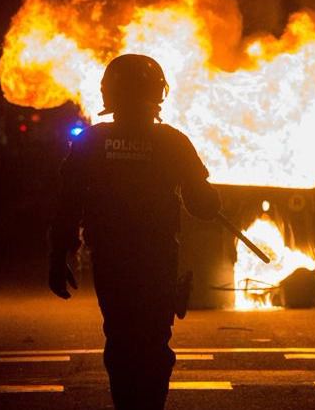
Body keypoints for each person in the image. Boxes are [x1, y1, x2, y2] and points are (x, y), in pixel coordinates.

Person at [48, 54, 221, 410]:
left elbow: (67, 203)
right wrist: (209, 198)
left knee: (121, 341)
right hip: (157, 261)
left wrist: (58, 256)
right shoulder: (173, 142)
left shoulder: (91, 142)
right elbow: (202, 205)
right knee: (154, 345)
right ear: (158, 92)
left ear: (109, 93)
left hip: (112, 261)